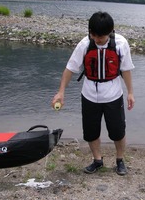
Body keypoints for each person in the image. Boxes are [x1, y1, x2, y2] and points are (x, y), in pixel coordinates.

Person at [52, 11, 135, 176]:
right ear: (90, 32)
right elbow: (70, 68)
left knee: (118, 131)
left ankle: (120, 160)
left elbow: (126, 69)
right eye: (94, 36)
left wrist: (130, 93)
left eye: (101, 37)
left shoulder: (120, 43)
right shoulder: (84, 44)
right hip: (89, 94)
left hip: (113, 94)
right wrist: (61, 91)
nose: (98, 40)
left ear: (110, 32)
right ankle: (97, 160)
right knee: (91, 131)